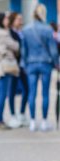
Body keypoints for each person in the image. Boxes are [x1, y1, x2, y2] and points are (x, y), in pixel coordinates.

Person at [22, 4, 59, 132]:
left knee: (32, 93)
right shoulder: (48, 29)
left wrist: (24, 64)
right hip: (45, 63)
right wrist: (57, 64)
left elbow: (23, 50)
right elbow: (53, 50)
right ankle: (44, 121)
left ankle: (32, 122)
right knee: (45, 93)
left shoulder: (26, 29)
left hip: (31, 64)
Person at [0, 12, 20, 130]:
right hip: (4, 68)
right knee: (2, 94)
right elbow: (16, 46)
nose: (7, 20)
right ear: (1, 20)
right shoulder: (3, 34)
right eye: (6, 18)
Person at [8, 12, 29, 127]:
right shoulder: (9, 33)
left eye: (21, 19)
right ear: (13, 21)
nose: (20, 21)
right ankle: (13, 115)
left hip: (22, 65)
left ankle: (21, 113)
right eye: (18, 19)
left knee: (27, 89)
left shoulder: (22, 33)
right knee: (12, 91)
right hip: (13, 66)